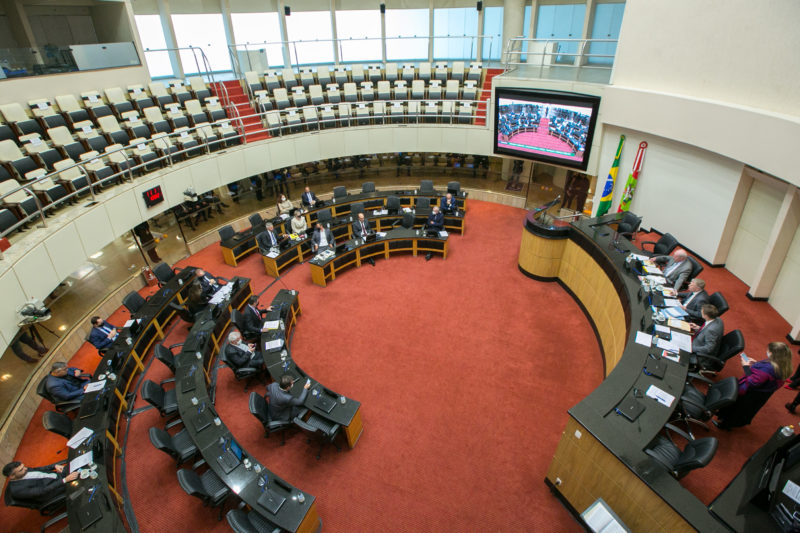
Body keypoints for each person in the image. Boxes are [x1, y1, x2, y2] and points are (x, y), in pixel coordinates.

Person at [715, 342, 793, 429]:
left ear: (773, 354)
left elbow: (752, 382)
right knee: (747, 410)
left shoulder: (767, 369)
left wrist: (745, 367)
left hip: (751, 394)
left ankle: (725, 425)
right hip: (763, 394)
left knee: (737, 409)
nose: (767, 351)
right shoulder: (784, 364)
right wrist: (756, 364)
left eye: (769, 351)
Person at [2, 461, 79, 506]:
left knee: (76, 464)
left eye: (24, 466)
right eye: (21, 469)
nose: (26, 469)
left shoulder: (23, 471)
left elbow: (38, 469)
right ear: (12, 476)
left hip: (56, 477)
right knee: (79, 480)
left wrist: (54, 466)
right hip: (52, 491)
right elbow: (42, 491)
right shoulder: (17, 490)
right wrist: (64, 480)